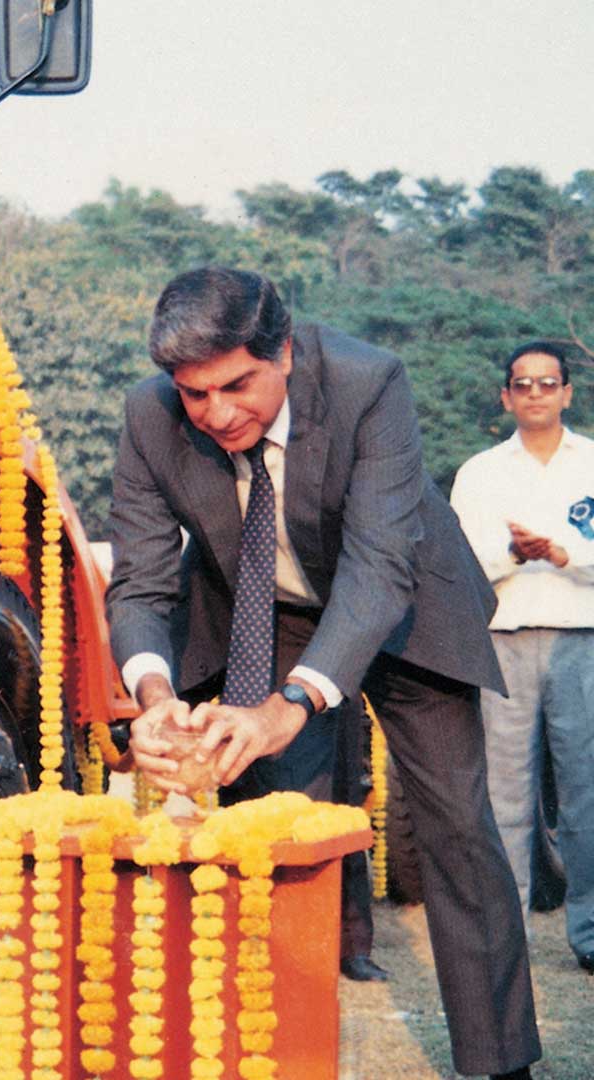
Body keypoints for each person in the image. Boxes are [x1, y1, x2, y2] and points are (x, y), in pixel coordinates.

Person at [105, 267, 540, 1080]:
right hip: (268, 613)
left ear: (287, 353)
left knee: (455, 830)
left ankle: (499, 1061)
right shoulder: (147, 414)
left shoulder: (370, 382)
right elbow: (141, 580)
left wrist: (293, 702)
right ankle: (278, 1055)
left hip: (406, 604)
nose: (217, 413)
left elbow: (377, 569)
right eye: (194, 395)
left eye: (237, 385)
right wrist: (155, 696)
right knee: (270, 829)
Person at [449, 339, 593, 973]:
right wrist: (515, 555)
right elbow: (458, 564)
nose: (535, 393)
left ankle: (589, 935)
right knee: (504, 795)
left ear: (567, 392)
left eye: (548, 382)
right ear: (506, 396)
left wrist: (565, 555)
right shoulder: (480, 473)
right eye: (522, 383)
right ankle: (508, 940)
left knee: (587, 794)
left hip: (580, 640)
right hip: (504, 641)